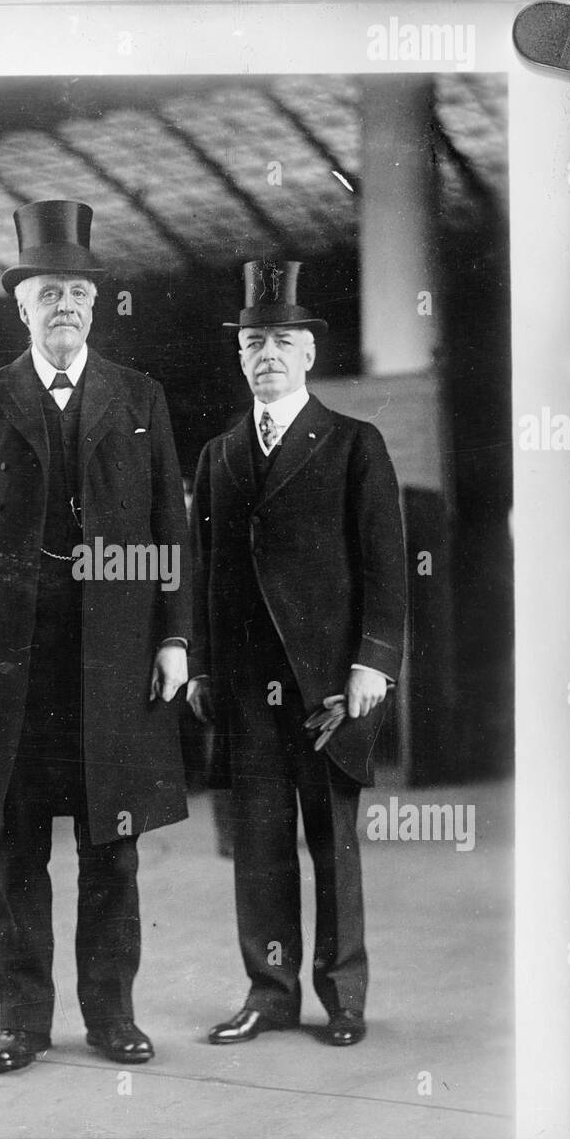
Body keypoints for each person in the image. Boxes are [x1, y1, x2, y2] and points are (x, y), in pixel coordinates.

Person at [0, 199, 191, 1073]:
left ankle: (111, 1017)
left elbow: (169, 527)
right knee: (14, 843)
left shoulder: (138, 398)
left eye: (78, 293)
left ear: (94, 303)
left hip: (113, 655)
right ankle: (23, 1024)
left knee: (108, 843)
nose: (65, 307)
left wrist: (173, 638)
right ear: (22, 305)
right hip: (14, 660)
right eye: (48, 293)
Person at [187, 261, 406, 1048]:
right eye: (253, 342)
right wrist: (205, 666)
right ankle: (269, 993)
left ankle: (342, 996)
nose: (267, 354)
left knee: (331, 843)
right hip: (246, 688)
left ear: (309, 353)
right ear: (239, 357)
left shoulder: (353, 444)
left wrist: (372, 664)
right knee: (258, 846)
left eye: (282, 340)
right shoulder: (218, 455)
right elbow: (205, 570)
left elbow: (384, 565)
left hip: (326, 685)